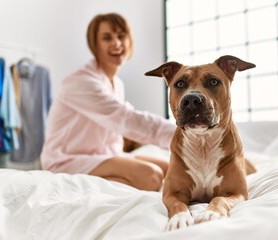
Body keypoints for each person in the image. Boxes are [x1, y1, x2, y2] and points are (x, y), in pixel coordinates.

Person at [40, 13, 176, 191]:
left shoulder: (116, 84)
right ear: (94, 45)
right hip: (67, 160)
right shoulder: (81, 82)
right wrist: (182, 135)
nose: (116, 43)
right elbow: (126, 119)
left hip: (104, 155)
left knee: (171, 169)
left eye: (121, 36)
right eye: (107, 38)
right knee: (151, 175)